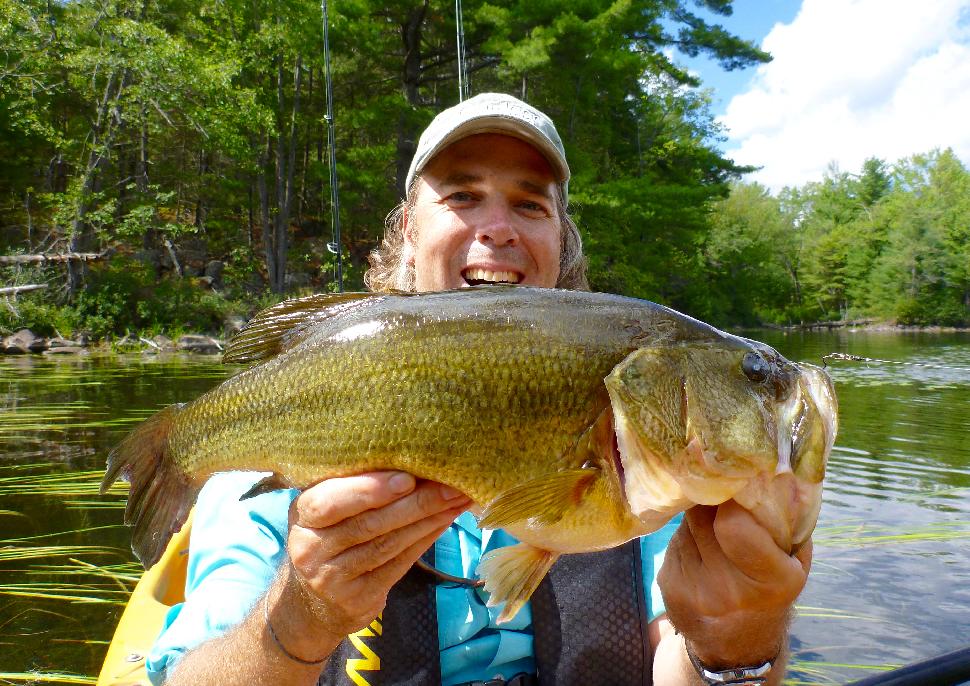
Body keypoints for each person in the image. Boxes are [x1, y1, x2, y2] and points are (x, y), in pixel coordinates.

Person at [147, 93, 811, 686]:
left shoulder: (654, 461)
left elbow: (682, 667)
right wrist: (302, 617)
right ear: (408, 230)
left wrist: (735, 640)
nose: (500, 227)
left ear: (561, 241)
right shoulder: (281, 433)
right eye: (462, 196)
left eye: (529, 203)